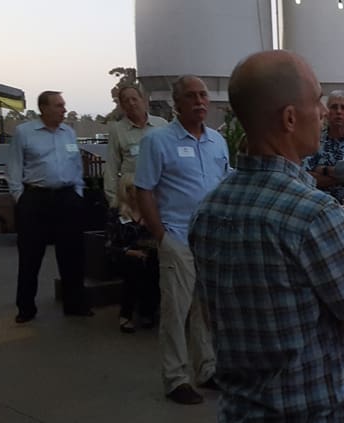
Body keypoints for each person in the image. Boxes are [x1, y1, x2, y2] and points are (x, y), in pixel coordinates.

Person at [190, 50, 344, 421]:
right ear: (289, 118)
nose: (322, 112)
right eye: (316, 101)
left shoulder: (207, 211)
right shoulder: (315, 215)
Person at [134, 75, 231, 405]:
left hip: (211, 240)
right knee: (176, 311)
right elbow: (143, 190)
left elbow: (225, 184)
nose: (199, 101)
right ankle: (176, 378)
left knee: (206, 311)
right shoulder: (157, 142)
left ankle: (207, 369)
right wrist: (161, 236)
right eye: (191, 96)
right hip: (177, 237)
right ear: (177, 103)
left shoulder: (218, 141)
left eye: (203, 95)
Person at [6, 90, 92, 323]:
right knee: (30, 256)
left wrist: (78, 193)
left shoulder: (69, 133)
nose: (64, 109)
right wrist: (20, 198)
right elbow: (13, 167)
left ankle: (74, 303)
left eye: (64, 105)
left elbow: (76, 166)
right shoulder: (25, 133)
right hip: (36, 200)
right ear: (43, 108)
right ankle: (26, 308)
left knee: (72, 254)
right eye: (58, 105)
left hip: (67, 198)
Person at [108, 174, 159, 333]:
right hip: (125, 254)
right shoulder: (116, 213)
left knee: (152, 265)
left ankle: (148, 311)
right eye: (134, 189)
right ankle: (126, 314)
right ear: (126, 191)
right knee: (134, 267)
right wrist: (130, 252)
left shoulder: (150, 210)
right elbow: (111, 243)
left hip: (148, 253)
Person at [103, 86, 168, 210]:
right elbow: (111, 167)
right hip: (133, 201)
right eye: (126, 101)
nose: (131, 103)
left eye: (134, 99)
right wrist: (114, 201)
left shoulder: (162, 125)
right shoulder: (117, 130)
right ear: (122, 106)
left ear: (143, 100)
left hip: (161, 197)